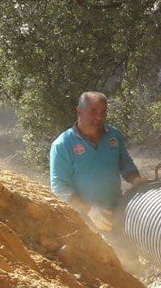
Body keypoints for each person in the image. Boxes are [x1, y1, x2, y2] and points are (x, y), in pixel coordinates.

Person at [49, 92, 145, 231]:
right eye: (93, 111)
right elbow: (59, 187)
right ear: (79, 111)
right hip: (82, 222)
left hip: (116, 212)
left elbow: (124, 162)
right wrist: (90, 210)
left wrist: (136, 180)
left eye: (103, 112)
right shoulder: (63, 144)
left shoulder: (114, 135)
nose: (99, 117)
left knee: (124, 251)